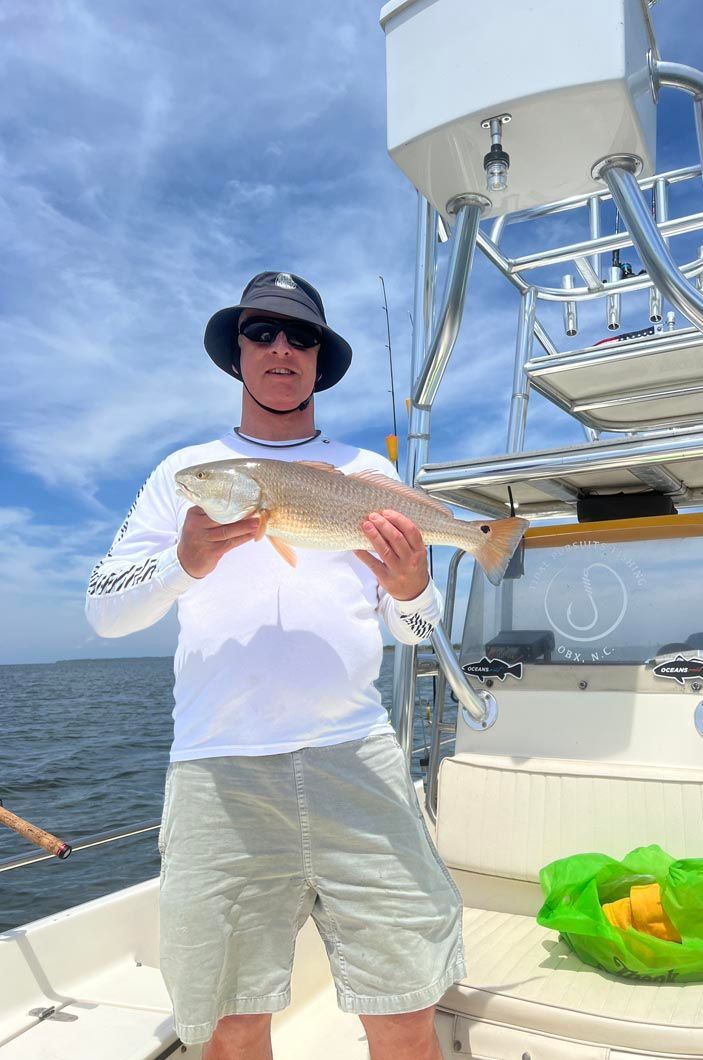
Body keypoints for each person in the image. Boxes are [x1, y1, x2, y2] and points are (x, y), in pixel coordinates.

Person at [85, 271, 466, 1060]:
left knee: (405, 1006)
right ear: (237, 354)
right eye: (261, 332)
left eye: (300, 336)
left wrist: (413, 587)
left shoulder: (369, 475)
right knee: (227, 1023)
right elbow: (103, 606)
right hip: (218, 767)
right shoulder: (184, 473)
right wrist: (180, 564)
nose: (281, 348)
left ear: (320, 359)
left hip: (355, 759)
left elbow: (415, 627)